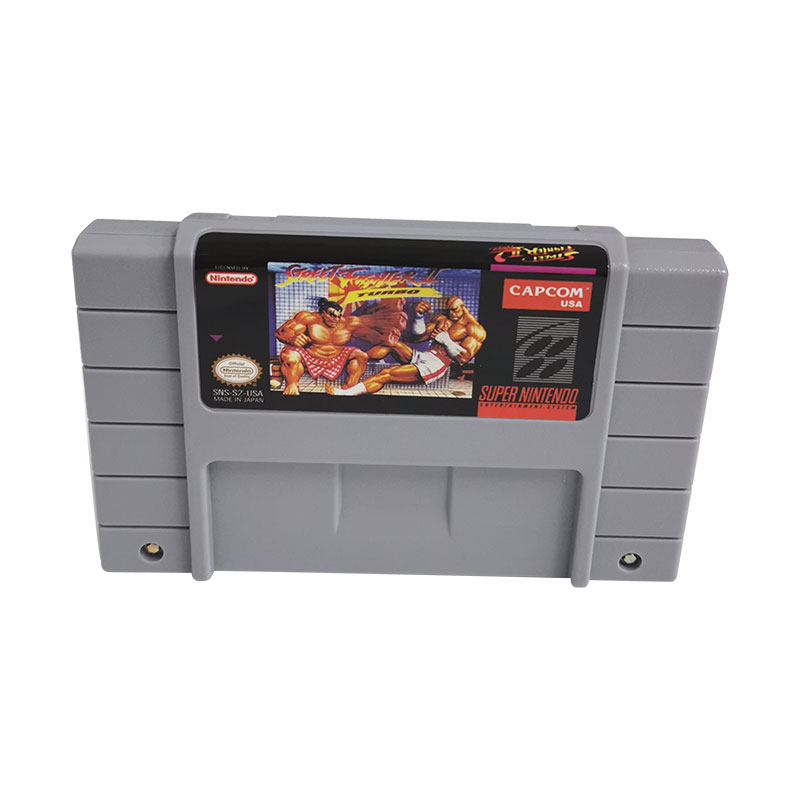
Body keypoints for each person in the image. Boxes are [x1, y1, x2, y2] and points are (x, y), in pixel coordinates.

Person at [325, 296, 485, 396]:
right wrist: (419, 316)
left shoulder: (474, 329)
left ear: (463, 307)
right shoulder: (443, 319)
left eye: (454, 310)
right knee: (391, 344)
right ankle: (355, 360)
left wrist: (447, 341)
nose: (451, 314)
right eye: (449, 310)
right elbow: (418, 336)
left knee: (386, 374)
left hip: (437, 363)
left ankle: (347, 393)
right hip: (427, 355)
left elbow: (463, 359)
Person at [275, 298, 406, 395]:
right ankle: (292, 385)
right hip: (310, 357)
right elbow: (280, 332)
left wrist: (385, 338)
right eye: (332, 315)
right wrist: (292, 338)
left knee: (361, 355)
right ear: (322, 313)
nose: (335, 319)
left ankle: (349, 388)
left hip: (337, 358)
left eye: (338, 316)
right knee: (290, 355)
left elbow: (371, 335)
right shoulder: (308, 318)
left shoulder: (347, 324)